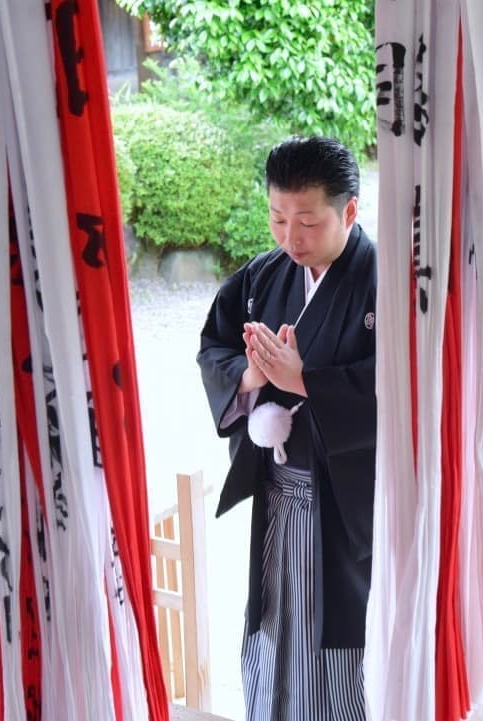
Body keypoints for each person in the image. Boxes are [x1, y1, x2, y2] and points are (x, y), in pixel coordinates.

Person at [197, 136, 376, 721]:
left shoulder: (385, 285)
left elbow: (404, 388)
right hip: (279, 495)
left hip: (348, 505)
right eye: (278, 218)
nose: (290, 239)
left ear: (349, 211)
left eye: (308, 222)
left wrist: (308, 383)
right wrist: (249, 377)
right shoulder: (264, 276)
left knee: (342, 639)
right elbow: (214, 347)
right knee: (275, 619)